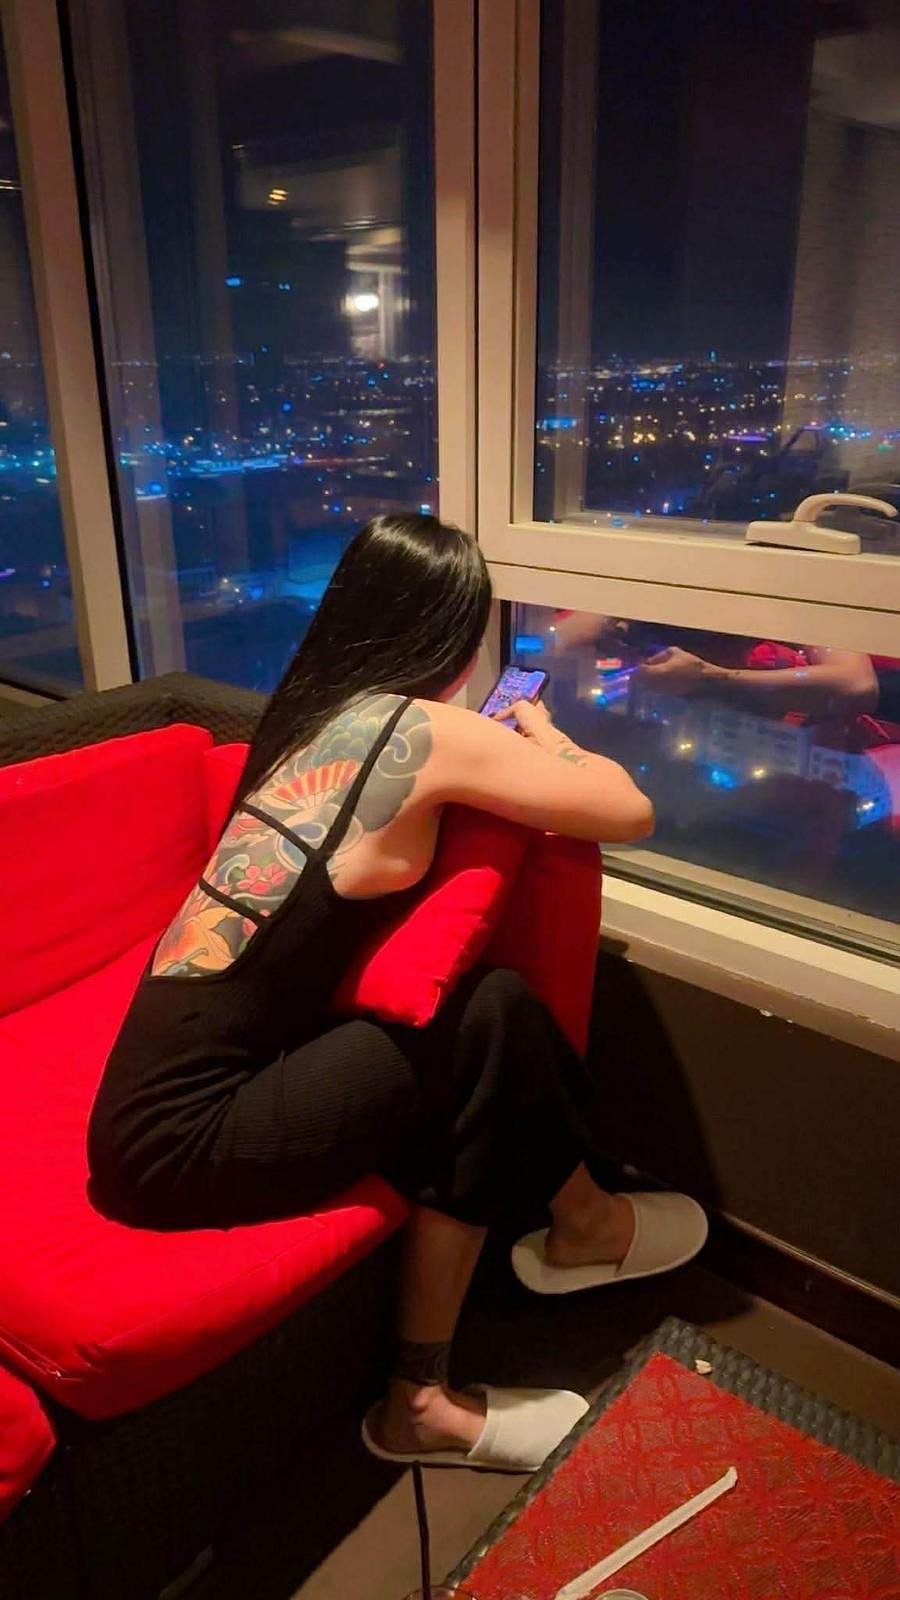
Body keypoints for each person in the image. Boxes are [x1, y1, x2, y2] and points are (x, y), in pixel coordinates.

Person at [87, 514, 706, 1474]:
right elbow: (630, 809)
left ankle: (579, 1225)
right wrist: (542, 732)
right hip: (179, 1144)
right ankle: (433, 1390)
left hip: (146, 1110)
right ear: (448, 634)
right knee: (495, 1019)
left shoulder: (315, 717)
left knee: (488, 1011)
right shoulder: (423, 729)